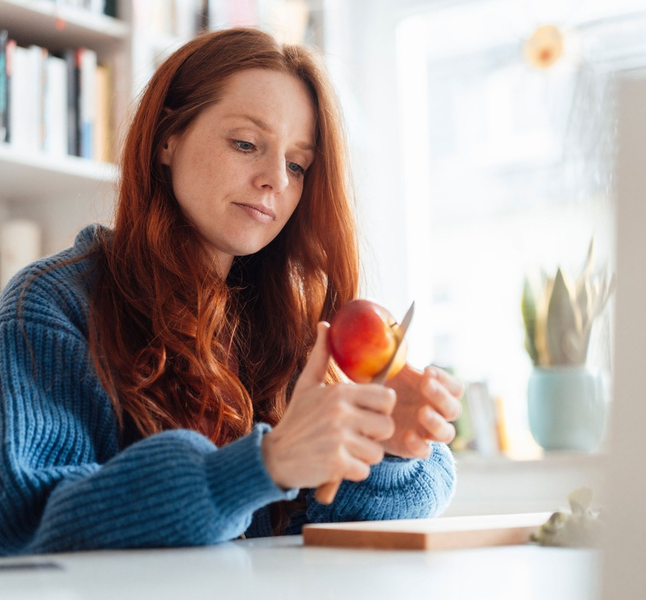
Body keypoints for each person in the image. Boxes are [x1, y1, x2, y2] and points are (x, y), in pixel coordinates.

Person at [0, 28, 462, 556]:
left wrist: (386, 451)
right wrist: (262, 466)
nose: (276, 181)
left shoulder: (290, 319)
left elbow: (333, 518)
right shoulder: (52, 305)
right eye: (246, 144)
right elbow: (21, 520)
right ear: (166, 140)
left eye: (297, 164)